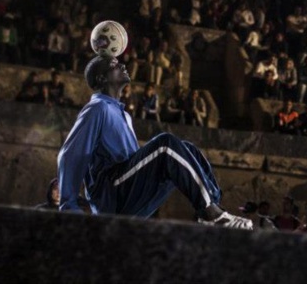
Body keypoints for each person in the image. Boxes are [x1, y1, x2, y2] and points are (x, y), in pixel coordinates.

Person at [57, 55, 252, 229]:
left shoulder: (123, 114)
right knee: (165, 145)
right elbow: (70, 154)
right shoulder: (97, 108)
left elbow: (133, 164)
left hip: (127, 191)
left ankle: (212, 211)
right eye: (114, 65)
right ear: (102, 78)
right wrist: (69, 206)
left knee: (187, 149)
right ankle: (211, 213)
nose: (123, 65)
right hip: (111, 194)